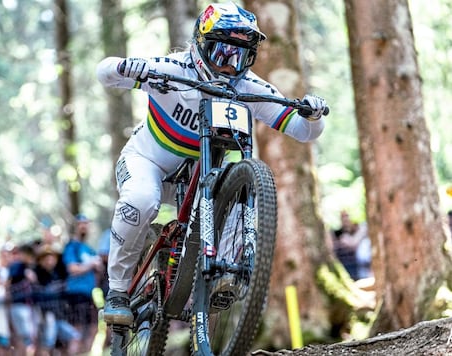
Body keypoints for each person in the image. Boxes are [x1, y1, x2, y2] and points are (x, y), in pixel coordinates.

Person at [96, 2, 328, 325]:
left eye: (240, 56)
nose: (230, 68)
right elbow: (105, 73)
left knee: (232, 194)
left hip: (198, 174)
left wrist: (313, 117)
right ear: (201, 45)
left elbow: (303, 131)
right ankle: (118, 292)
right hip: (149, 162)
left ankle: (221, 275)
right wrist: (130, 68)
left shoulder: (248, 87)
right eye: (222, 54)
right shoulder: (172, 68)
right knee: (140, 200)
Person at [62, 214, 103, 353]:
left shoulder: (89, 249)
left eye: (86, 223)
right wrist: (91, 264)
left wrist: (97, 267)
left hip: (89, 293)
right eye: (81, 223)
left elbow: (97, 270)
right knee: (77, 331)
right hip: (75, 293)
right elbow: (72, 268)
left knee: (94, 328)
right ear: (75, 227)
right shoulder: (72, 246)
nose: (84, 226)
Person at [33, 244, 80, 356]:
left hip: (59, 316)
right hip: (46, 317)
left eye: (52, 258)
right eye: (46, 258)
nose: (50, 261)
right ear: (40, 261)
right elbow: (39, 297)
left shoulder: (58, 274)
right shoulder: (36, 275)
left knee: (74, 337)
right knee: (47, 344)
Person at [7, 243, 39, 356]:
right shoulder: (16, 266)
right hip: (18, 305)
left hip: (30, 306)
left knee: (31, 336)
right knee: (23, 336)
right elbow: (9, 283)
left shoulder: (32, 267)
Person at [332, 211, 370, 280]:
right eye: (343, 217)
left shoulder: (360, 228)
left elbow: (353, 243)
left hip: (361, 265)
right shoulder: (338, 233)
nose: (345, 219)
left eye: (347, 216)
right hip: (346, 265)